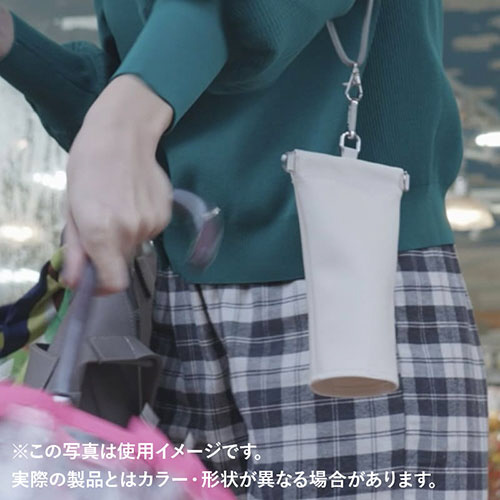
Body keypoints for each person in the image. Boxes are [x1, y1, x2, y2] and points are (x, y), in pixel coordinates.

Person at [0, 0, 489, 498]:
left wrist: (127, 115)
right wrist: (17, 46)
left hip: (344, 277)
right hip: (177, 309)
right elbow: (159, 82)